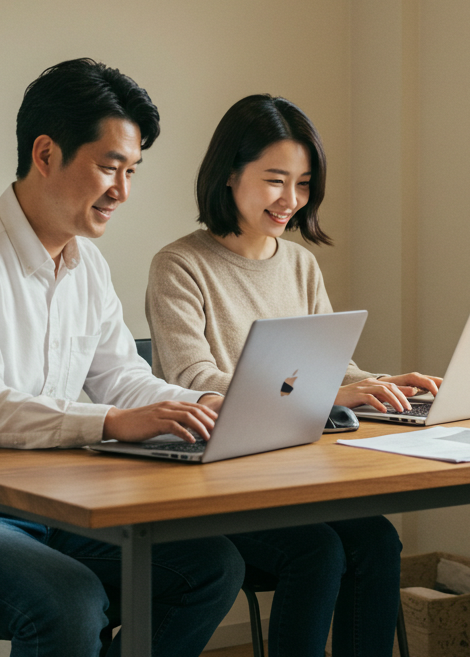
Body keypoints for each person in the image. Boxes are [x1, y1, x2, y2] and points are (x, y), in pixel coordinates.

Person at [0, 58, 245, 657]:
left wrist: (208, 405)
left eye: (132, 171)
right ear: (46, 154)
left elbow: (121, 378)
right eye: (109, 167)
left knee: (210, 565)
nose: (122, 192)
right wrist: (112, 422)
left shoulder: (86, 264)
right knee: (68, 599)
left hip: (50, 504)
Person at [144, 94, 442, 657]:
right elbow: (195, 379)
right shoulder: (179, 265)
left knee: (377, 539)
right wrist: (331, 390)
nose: (291, 200)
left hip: (292, 476)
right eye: (275, 180)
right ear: (229, 175)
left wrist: (386, 383)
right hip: (213, 482)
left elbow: (334, 368)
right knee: (318, 552)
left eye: (303, 184)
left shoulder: (300, 263)